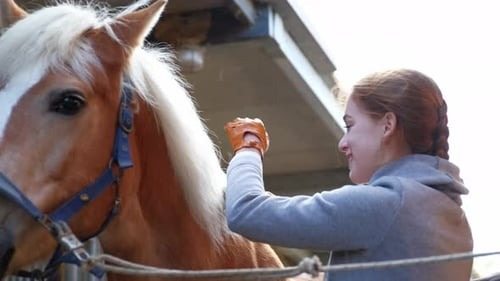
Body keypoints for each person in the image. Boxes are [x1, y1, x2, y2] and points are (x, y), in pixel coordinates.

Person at [223, 69, 473, 281]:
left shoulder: (385, 204)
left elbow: (246, 212)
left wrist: (249, 147)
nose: (343, 143)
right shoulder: (453, 218)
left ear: (388, 125)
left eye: (350, 125)